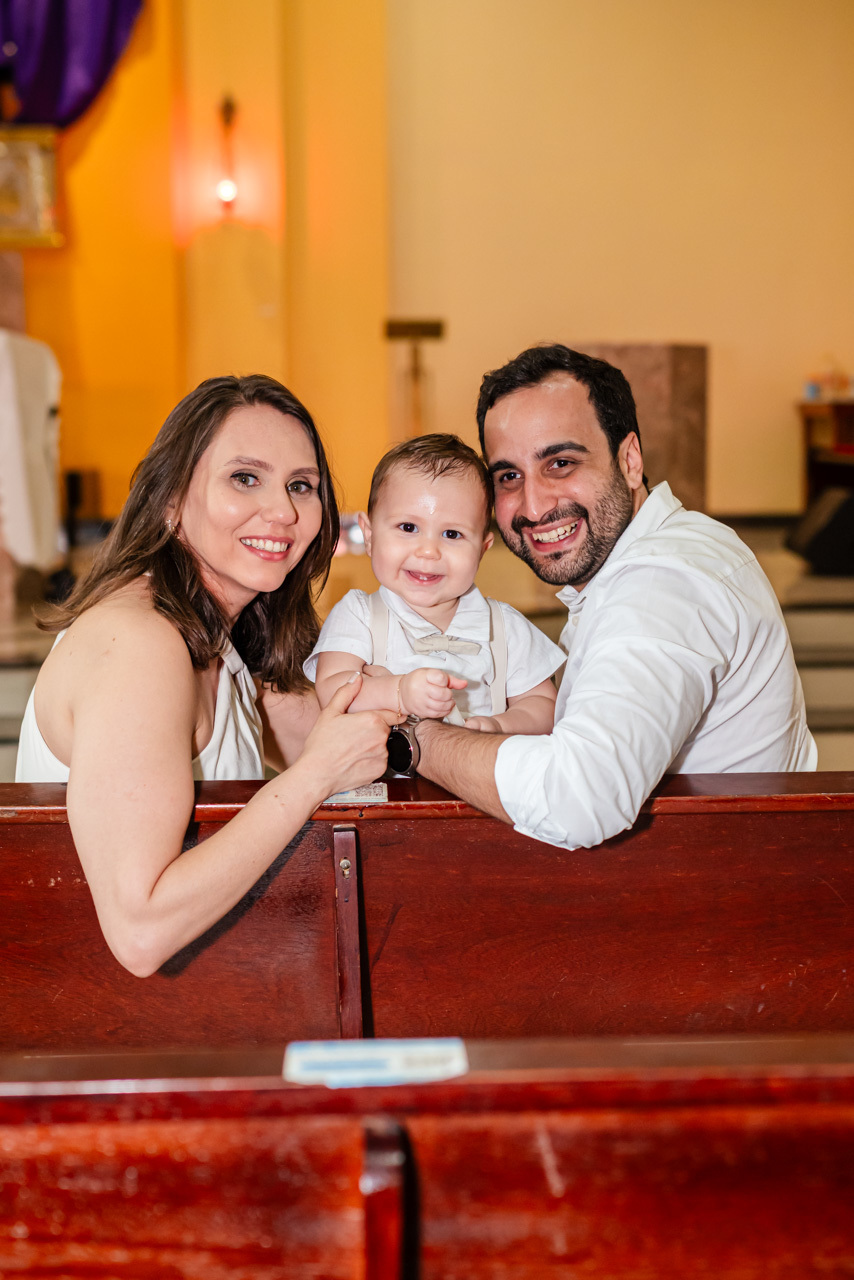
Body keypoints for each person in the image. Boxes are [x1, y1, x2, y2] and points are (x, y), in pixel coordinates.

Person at [15, 374, 396, 975]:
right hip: (104, 1040)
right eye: (245, 478)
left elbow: (347, 737)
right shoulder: (139, 646)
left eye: (302, 485)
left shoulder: (224, 640)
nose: (284, 510)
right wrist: (318, 774)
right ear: (170, 502)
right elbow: (140, 932)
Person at [410, 345, 817, 850]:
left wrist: (415, 739)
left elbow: (578, 799)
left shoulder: (665, 581)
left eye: (560, 462)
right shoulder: (658, 555)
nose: (533, 506)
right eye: (509, 476)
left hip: (728, 902)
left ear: (629, 460)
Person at [306, 434, 564, 733]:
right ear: (370, 535)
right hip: (378, 778)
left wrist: (498, 726)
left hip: (476, 774)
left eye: (452, 534)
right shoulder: (359, 615)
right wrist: (400, 692)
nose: (428, 551)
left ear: (481, 549)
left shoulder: (504, 627)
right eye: (408, 527)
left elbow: (544, 705)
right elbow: (332, 689)